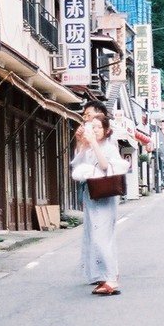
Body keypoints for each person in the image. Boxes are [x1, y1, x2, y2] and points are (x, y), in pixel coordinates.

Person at [71, 111, 127, 295]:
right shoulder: (88, 146)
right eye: (91, 126)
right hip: (92, 194)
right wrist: (81, 143)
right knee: (93, 236)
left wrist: (93, 143)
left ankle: (111, 278)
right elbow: (76, 164)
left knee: (103, 237)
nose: (94, 130)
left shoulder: (109, 147)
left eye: (97, 127)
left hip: (105, 194)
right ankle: (102, 276)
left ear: (106, 130)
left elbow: (105, 166)